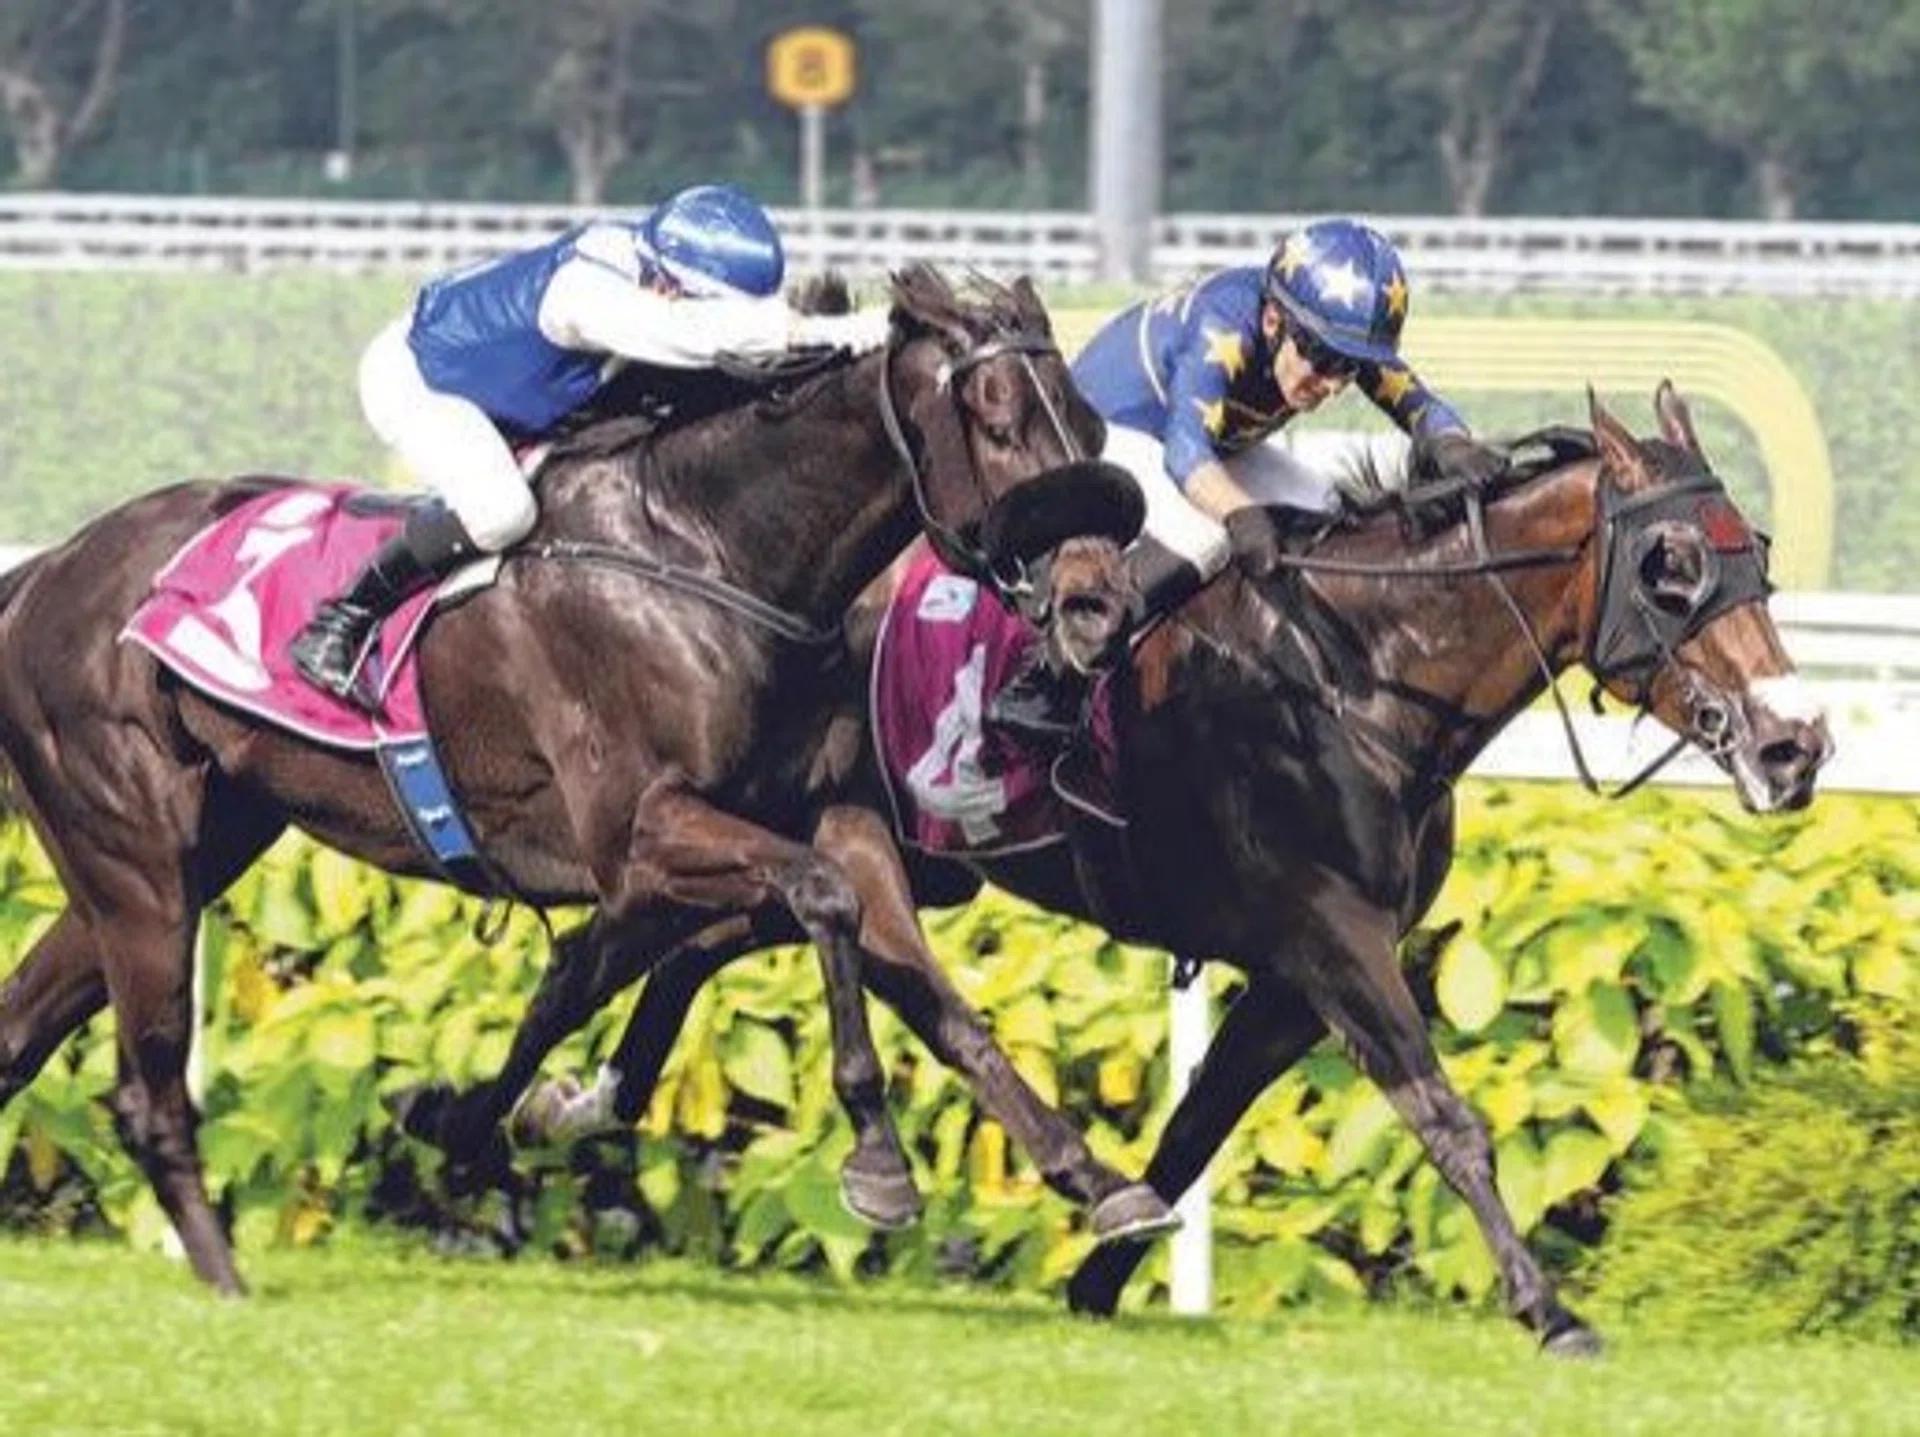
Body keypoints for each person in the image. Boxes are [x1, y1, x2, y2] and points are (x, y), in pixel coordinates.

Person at [290, 181, 889, 712]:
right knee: (501, 512)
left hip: (530, 380)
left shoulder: (655, 268)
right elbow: (697, 335)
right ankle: (343, 618)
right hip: (422, 380)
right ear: (670, 283)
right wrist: (834, 332)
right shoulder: (586, 297)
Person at [989, 216, 1507, 738]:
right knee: (1209, 533)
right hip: (1112, 428)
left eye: (1348, 369)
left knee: (1325, 508)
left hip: (1207, 440)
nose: (1331, 385)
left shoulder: (1326, 332)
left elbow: (1418, 403)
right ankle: (1050, 677)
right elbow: (1186, 454)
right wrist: (1240, 514)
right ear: (1273, 323)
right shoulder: (1225, 327)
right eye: (1323, 361)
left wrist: (1452, 444)